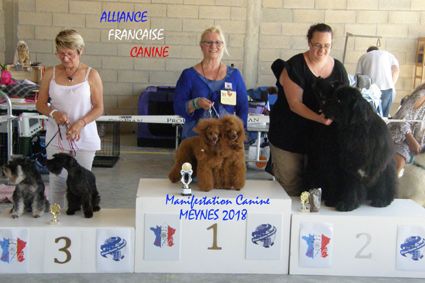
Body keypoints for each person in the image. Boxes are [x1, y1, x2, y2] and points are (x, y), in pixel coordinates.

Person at [268, 23, 349, 196]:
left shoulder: (339, 69)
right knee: (292, 188)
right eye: (317, 45)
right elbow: (295, 104)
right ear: (309, 42)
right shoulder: (295, 66)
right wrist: (320, 118)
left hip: (320, 141)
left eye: (326, 46)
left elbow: (345, 100)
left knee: (315, 189)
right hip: (288, 137)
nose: (322, 50)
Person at [36, 29, 104, 208]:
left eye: (70, 54)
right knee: (57, 183)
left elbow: (99, 108)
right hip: (57, 137)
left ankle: (81, 228)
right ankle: (55, 223)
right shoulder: (50, 73)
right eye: (61, 53)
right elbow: (40, 104)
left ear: (80, 51)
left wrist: (81, 123)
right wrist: (53, 113)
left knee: (81, 184)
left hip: (85, 137)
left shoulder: (92, 75)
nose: (65, 58)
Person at [174, 26, 248, 139]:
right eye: (208, 42)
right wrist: (196, 103)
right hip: (196, 139)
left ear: (223, 46)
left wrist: (240, 134)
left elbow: (243, 108)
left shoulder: (234, 75)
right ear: (201, 46)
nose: (213, 46)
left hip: (225, 141)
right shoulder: (188, 75)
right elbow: (178, 106)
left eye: (218, 42)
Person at [388, 83, 425, 177]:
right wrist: (411, 140)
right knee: (399, 162)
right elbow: (402, 119)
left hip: (419, 143)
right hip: (402, 137)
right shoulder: (421, 96)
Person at [356, 46, 399, 117]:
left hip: (370, 91)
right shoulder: (388, 54)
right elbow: (396, 70)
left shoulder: (363, 57)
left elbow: (359, 77)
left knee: (370, 115)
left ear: (368, 52)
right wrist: (392, 84)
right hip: (387, 88)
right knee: (383, 117)